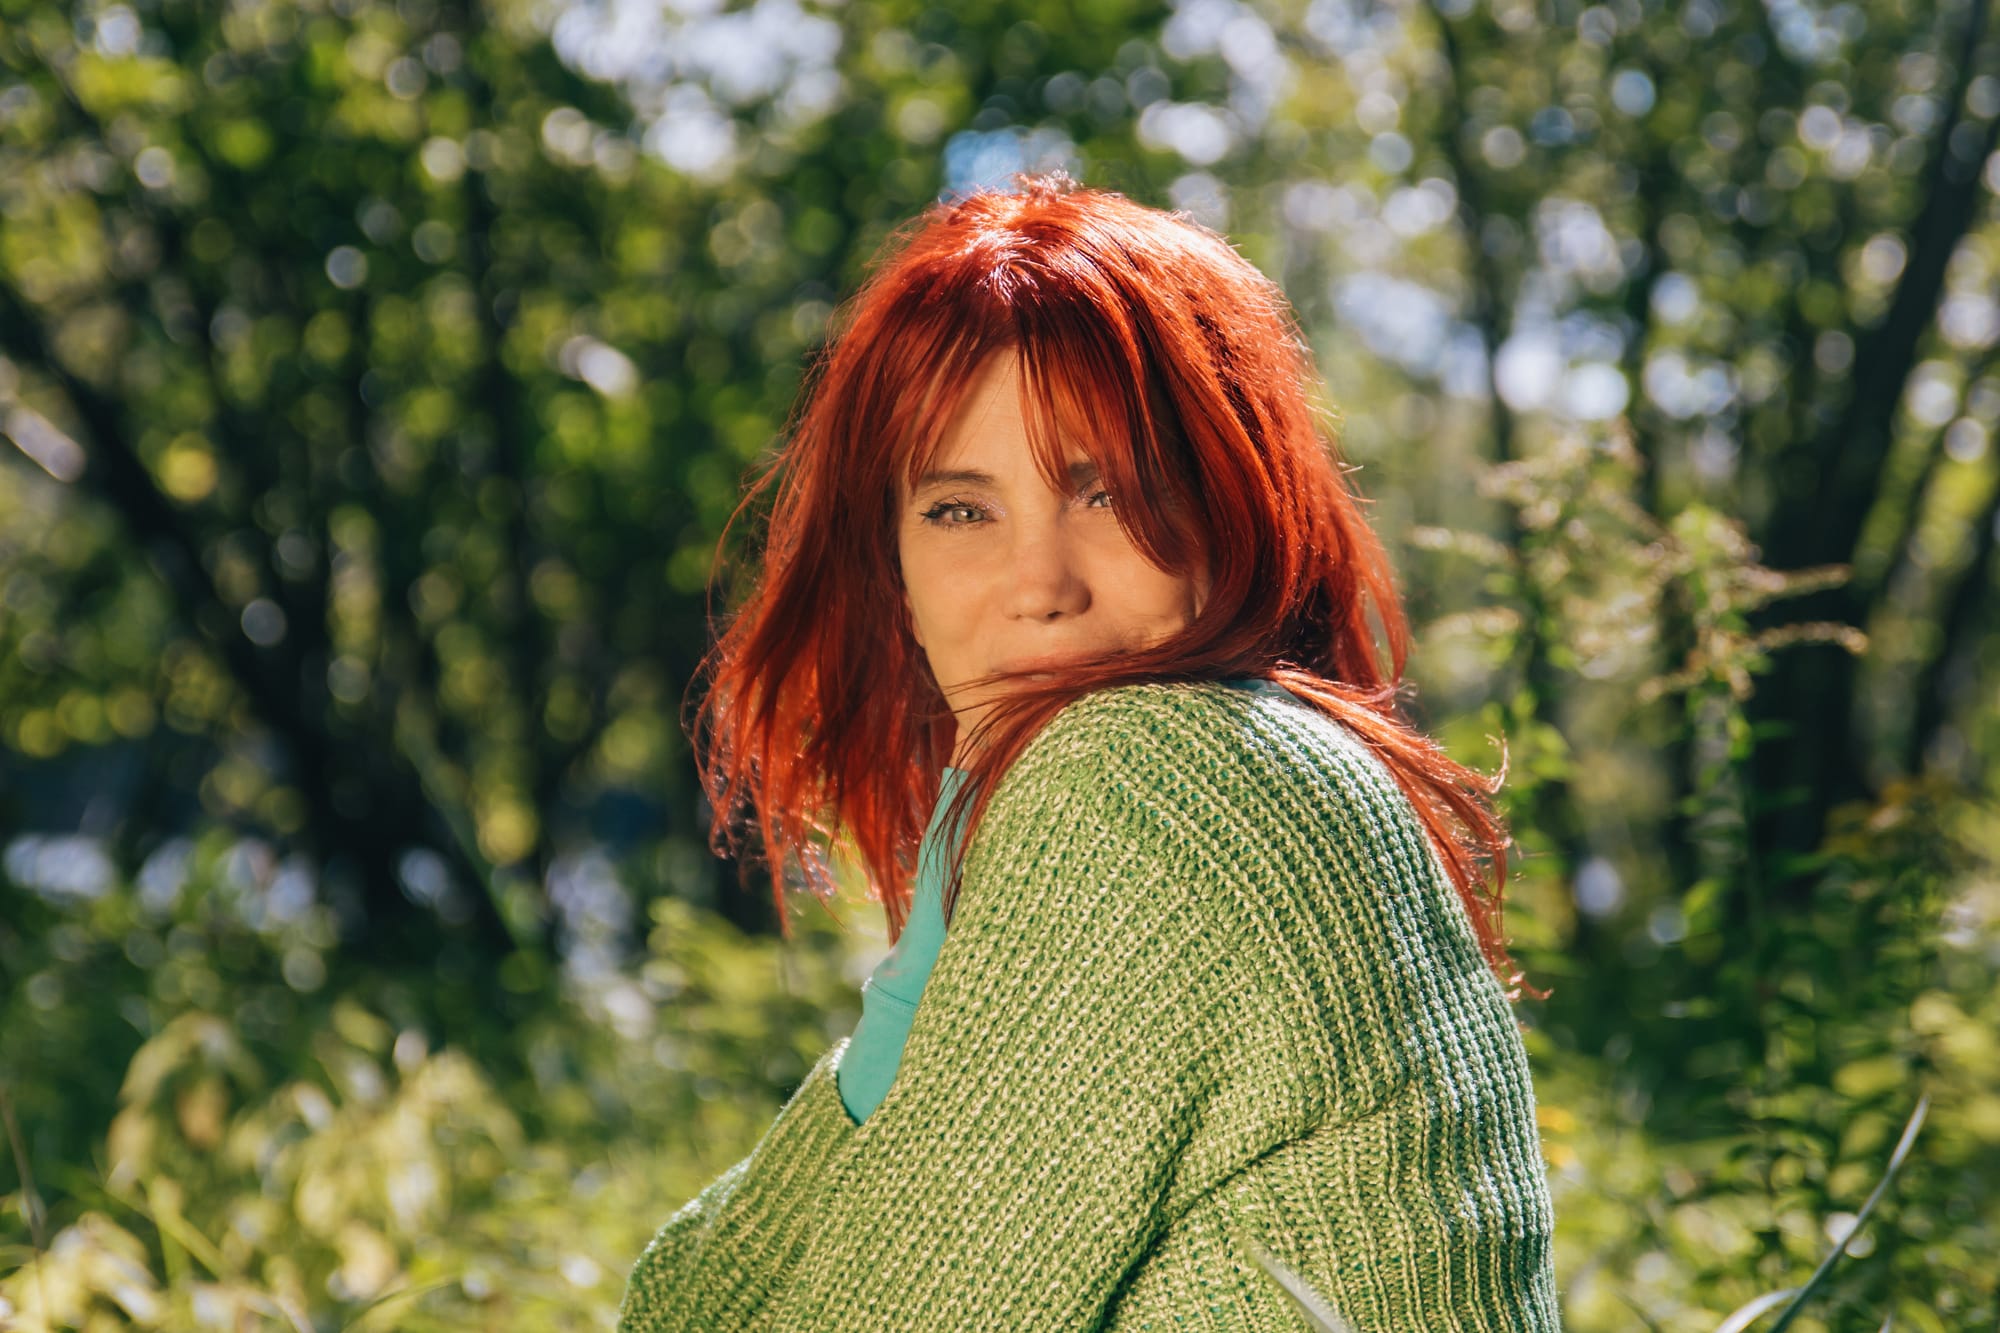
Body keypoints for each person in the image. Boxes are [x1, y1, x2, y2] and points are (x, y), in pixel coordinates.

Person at [618, 172, 1560, 1331]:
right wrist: (904, 1009)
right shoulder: (1221, 759)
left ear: (1234, 503)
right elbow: (696, 1301)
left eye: (1107, 493)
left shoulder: (1159, 779)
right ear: (890, 571)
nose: (1041, 586)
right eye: (959, 509)